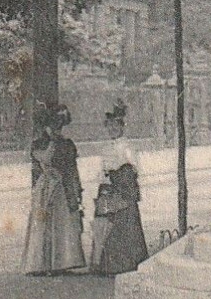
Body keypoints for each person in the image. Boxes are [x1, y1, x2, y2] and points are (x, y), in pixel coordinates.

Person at [23, 103, 85, 275]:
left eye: (59, 126)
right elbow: (44, 161)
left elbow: (72, 169)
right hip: (47, 187)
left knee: (63, 222)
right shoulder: (40, 144)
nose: (57, 130)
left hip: (63, 187)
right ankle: (43, 263)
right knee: (44, 222)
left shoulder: (66, 144)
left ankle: (63, 262)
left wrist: (77, 188)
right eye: (53, 126)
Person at [90, 100, 149, 275]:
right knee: (106, 227)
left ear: (122, 126)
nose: (112, 129)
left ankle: (125, 264)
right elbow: (103, 170)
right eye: (109, 126)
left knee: (123, 226)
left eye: (116, 126)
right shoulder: (107, 147)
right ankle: (107, 265)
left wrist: (116, 177)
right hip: (108, 190)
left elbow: (132, 170)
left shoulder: (127, 147)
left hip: (122, 191)